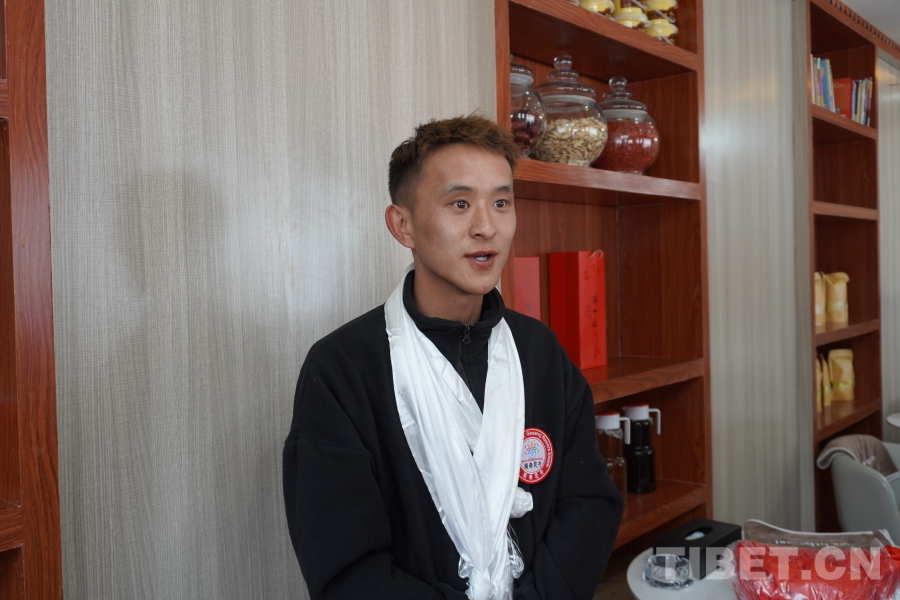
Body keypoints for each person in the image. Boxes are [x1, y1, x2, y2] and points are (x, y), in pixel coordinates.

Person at [283, 114, 623, 600]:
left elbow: (588, 504)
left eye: (501, 202)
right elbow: (346, 567)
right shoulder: (342, 370)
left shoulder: (540, 352)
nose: (486, 227)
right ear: (403, 225)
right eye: (460, 204)